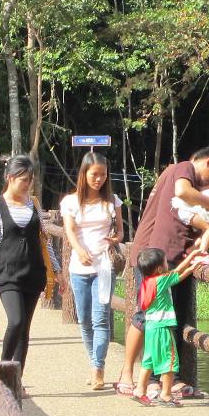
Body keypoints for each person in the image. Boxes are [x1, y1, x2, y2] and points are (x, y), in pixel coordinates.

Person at [115, 147, 209, 398]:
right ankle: (128, 374)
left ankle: (165, 378)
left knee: (168, 317)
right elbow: (182, 192)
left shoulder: (175, 174)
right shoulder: (183, 168)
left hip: (169, 256)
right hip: (153, 255)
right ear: (208, 162)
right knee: (146, 316)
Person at [0, 154, 66, 396]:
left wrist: (58, 270)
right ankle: (4, 369)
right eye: (22, 179)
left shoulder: (34, 205)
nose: (27, 184)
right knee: (15, 321)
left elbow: (44, 241)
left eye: (30, 180)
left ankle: (16, 380)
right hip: (8, 275)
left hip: (34, 273)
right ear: (9, 178)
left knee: (24, 331)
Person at [61, 152, 124, 390]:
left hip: (104, 267)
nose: (98, 179)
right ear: (84, 174)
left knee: (100, 319)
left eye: (103, 175)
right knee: (85, 319)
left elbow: (121, 233)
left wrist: (114, 238)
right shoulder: (70, 202)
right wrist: (79, 250)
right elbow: (68, 231)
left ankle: (98, 367)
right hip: (79, 266)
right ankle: (93, 362)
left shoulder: (112, 201)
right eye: (94, 174)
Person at [132, 247, 202, 407]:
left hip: (150, 328)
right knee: (170, 361)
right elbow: (178, 273)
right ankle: (166, 394)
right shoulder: (161, 280)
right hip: (163, 328)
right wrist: (192, 265)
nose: (167, 265)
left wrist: (191, 256)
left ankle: (140, 390)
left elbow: (176, 271)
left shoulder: (146, 282)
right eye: (165, 262)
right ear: (158, 268)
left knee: (148, 360)